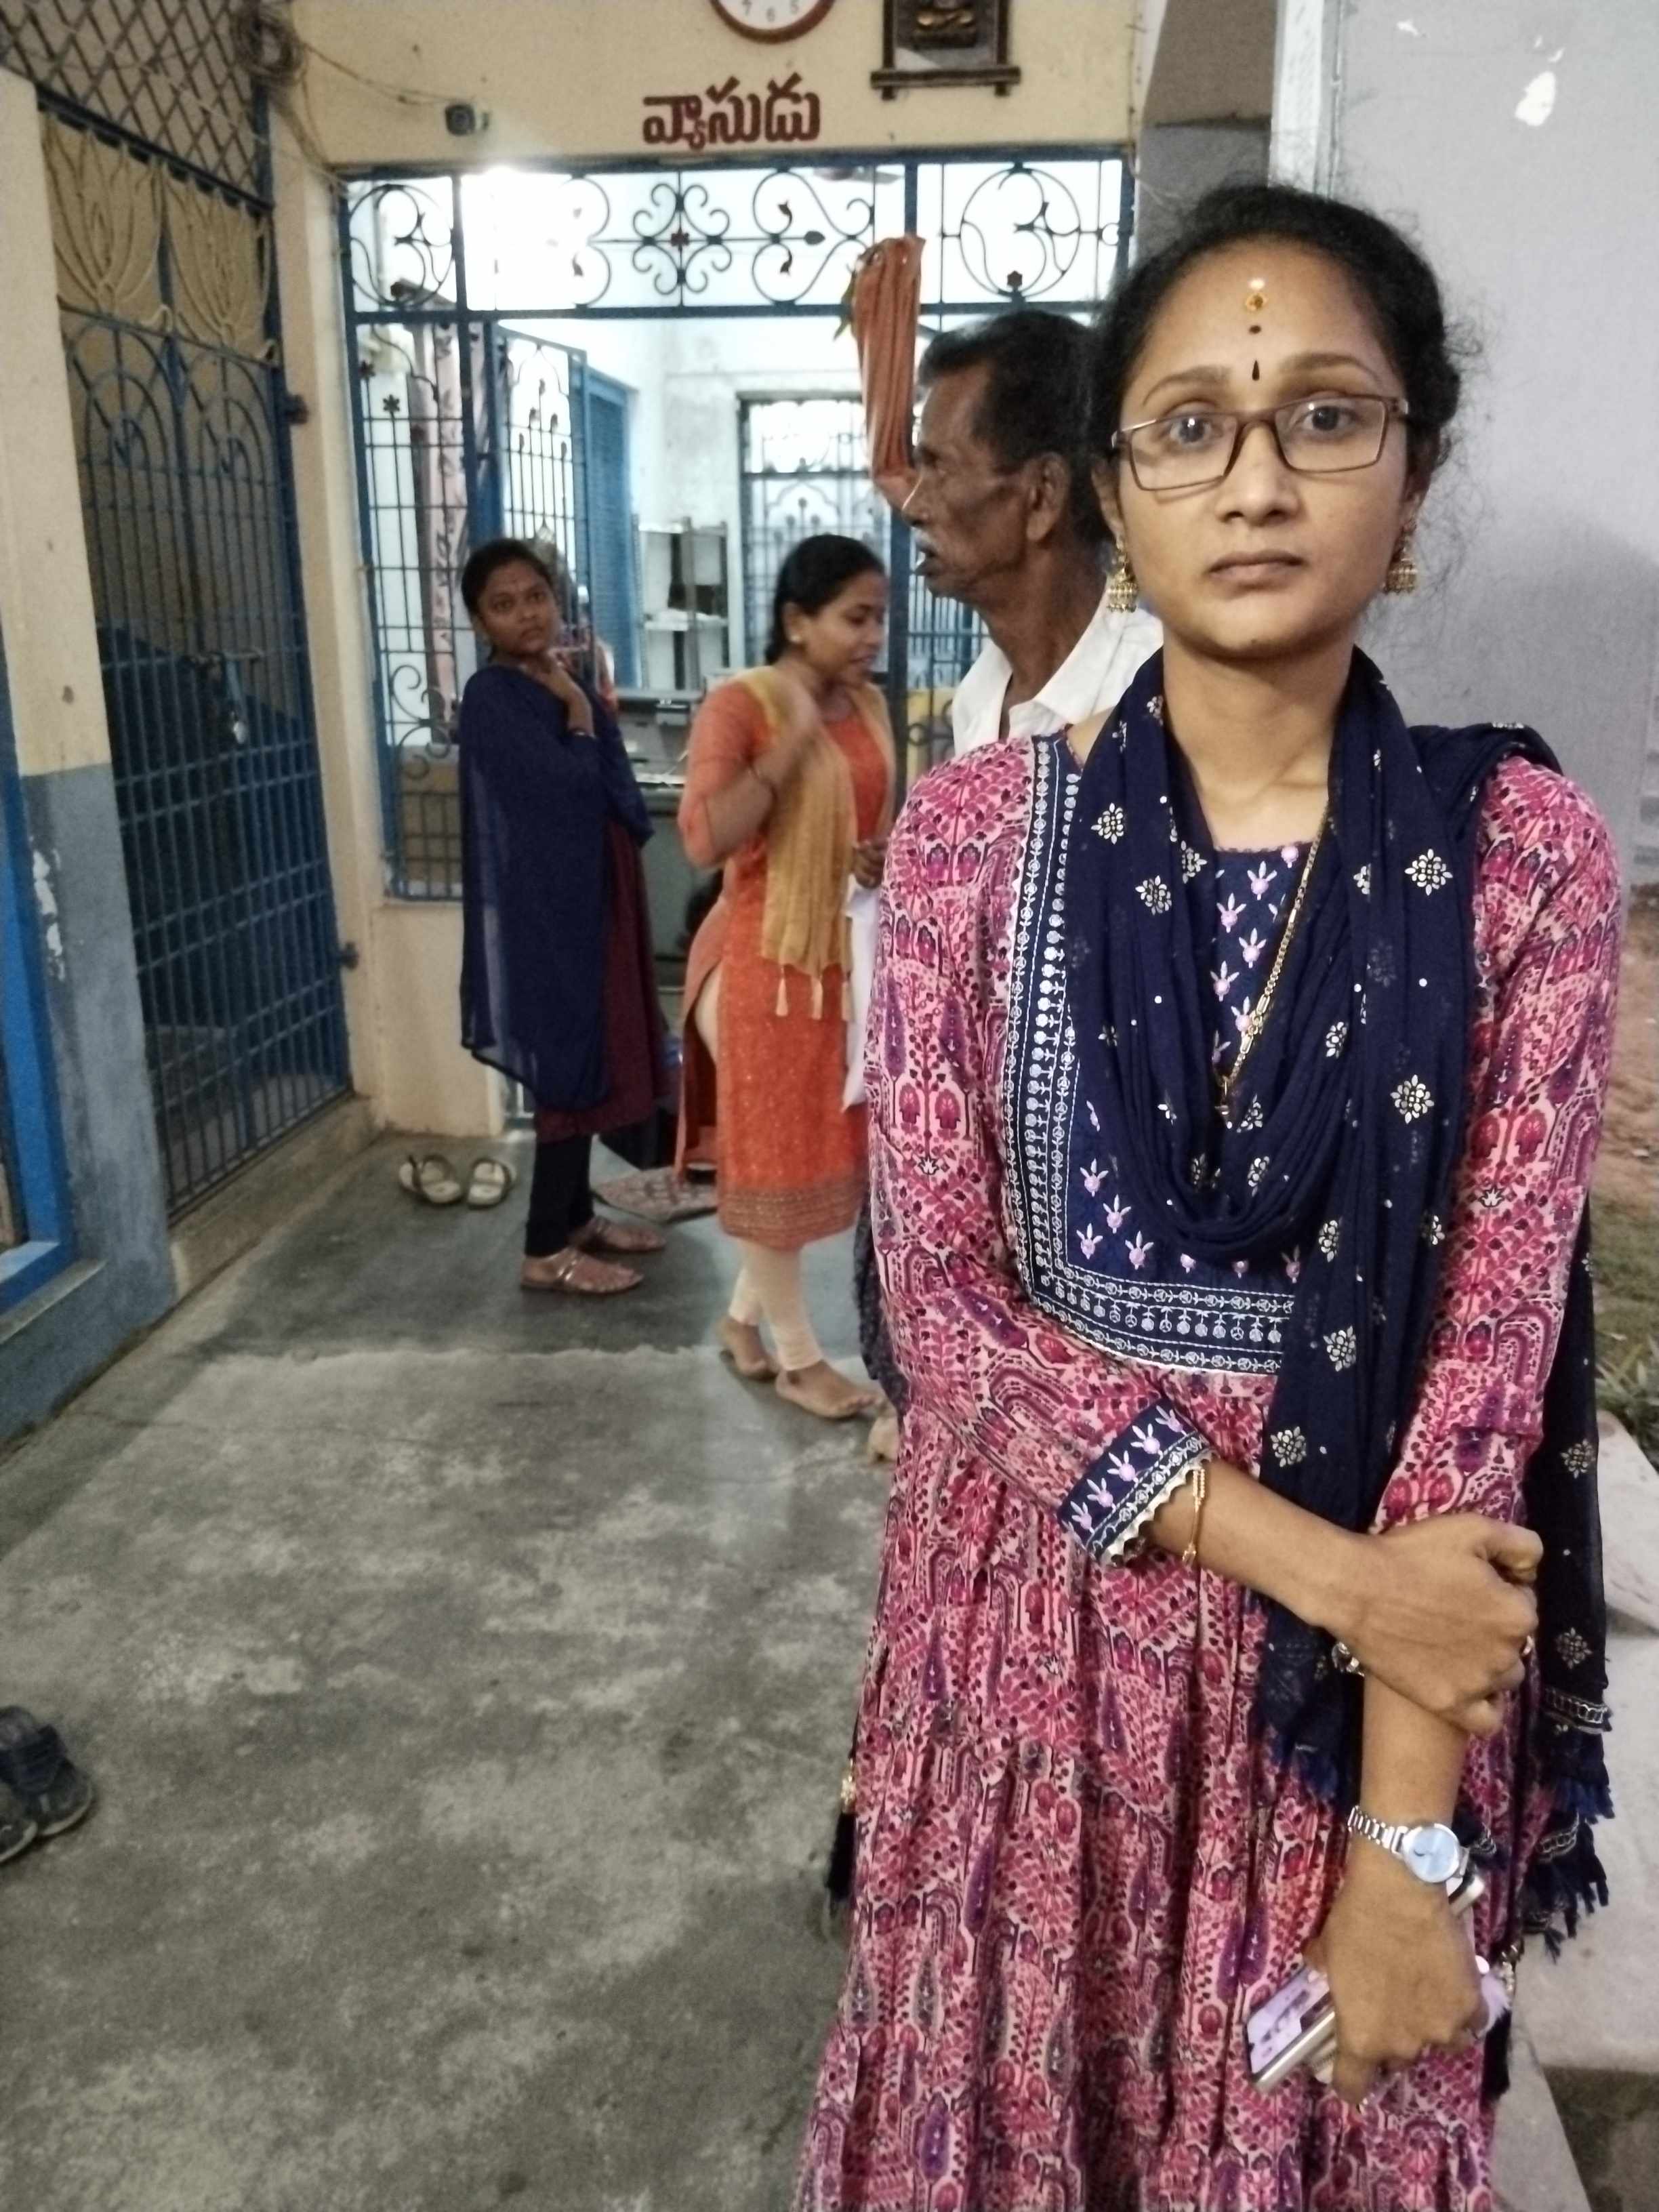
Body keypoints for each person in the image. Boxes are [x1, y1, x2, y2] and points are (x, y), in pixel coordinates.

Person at [799, 184, 1619, 2211]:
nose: (1254, 480)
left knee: (1303, 2131)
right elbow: (948, 1311)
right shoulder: (979, 837)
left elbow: (1478, 1389)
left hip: (1337, 1727)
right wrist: (1331, 1571)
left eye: (1324, 415)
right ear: (1116, 492)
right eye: (1189, 427)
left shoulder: (1519, 858)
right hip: (1033, 1651)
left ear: (1412, 475)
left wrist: (1403, 1846)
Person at [858, 310, 1164, 1460]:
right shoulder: (980, 701)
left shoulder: (1161, 703)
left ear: (1040, 496)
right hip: (975, 1220)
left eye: (939, 466)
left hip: (1109, 1245)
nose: (914, 502)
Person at [678, 536, 895, 1422]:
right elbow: (705, 837)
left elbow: (858, 822)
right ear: (798, 621)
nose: (872, 636)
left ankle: (741, 1322)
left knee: (806, 1155)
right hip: (757, 967)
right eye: (855, 617)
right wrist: (789, 744)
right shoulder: (742, 706)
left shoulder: (868, 705)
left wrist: (869, 855)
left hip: (836, 960)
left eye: (878, 617)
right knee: (773, 1165)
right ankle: (802, 1363)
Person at [458, 538, 668, 1296]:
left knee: (596, 1051)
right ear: (479, 621)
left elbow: (617, 786)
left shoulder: (557, 676)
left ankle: (576, 1218)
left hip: (596, 893)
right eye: (504, 604)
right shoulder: (492, 699)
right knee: (567, 1063)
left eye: (536, 596)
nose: (526, 614)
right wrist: (580, 717)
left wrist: (580, 710)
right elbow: (569, 792)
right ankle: (545, 1248)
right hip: (551, 909)